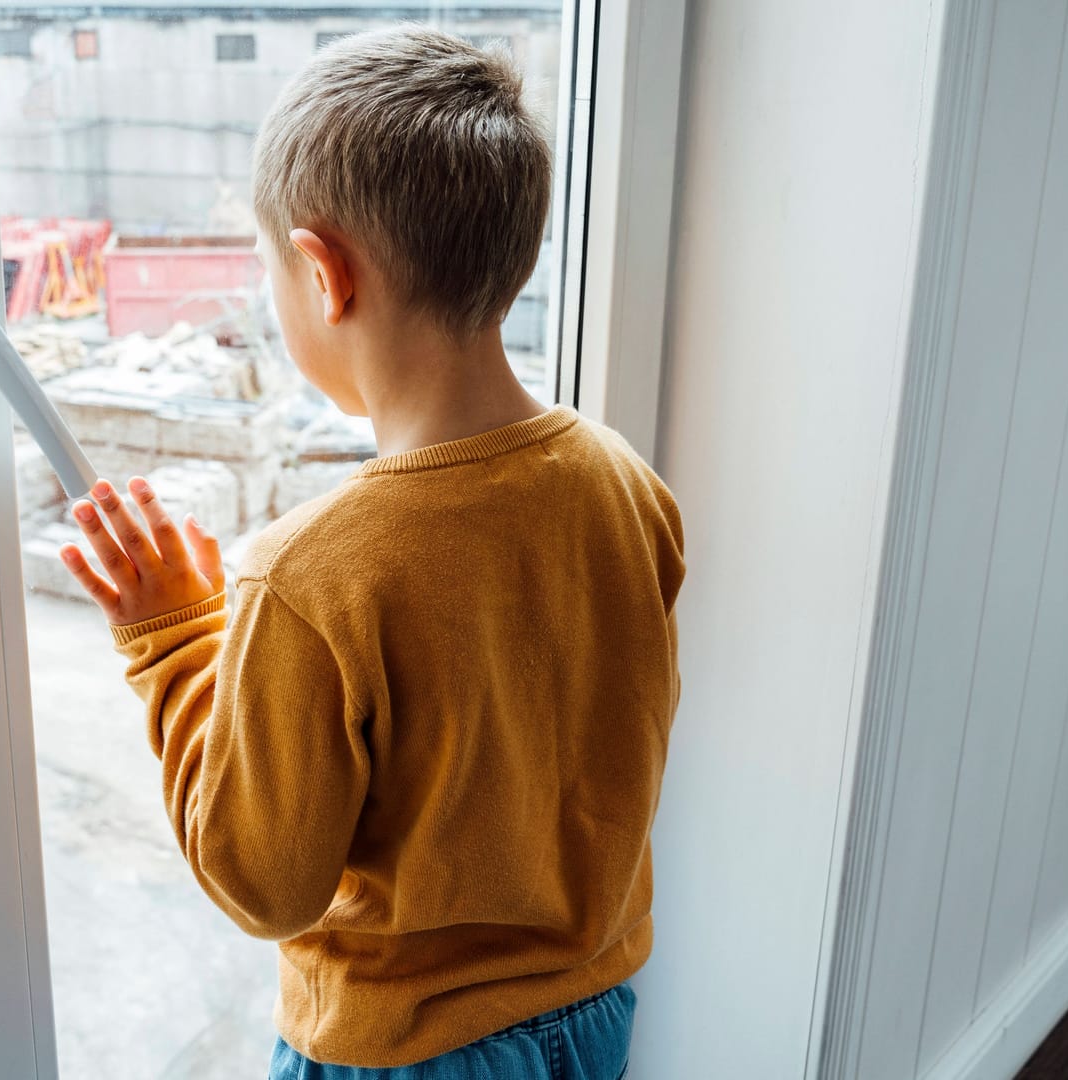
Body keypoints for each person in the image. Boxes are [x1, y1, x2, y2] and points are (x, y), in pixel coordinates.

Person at [57, 25, 683, 1080]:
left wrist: (175, 642)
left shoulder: (310, 576)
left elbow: (265, 882)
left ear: (320, 274)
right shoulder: (623, 481)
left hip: (401, 1055)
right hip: (594, 1010)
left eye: (268, 267)